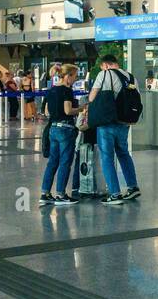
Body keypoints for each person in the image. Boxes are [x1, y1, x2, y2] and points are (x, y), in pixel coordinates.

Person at [87, 53, 140, 205]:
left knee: (107, 157)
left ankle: (115, 194)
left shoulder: (104, 74)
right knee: (123, 153)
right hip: (124, 122)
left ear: (105, 65)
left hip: (107, 122)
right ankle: (132, 187)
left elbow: (92, 97)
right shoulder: (131, 77)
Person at [39, 64, 81, 207]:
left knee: (52, 162)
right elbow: (68, 111)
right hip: (65, 129)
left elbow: (46, 112)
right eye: (75, 76)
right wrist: (82, 109)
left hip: (53, 129)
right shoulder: (66, 90)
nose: (75, 80)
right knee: (65, 162)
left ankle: (45, 193)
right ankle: (60, 194)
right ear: (68, 76)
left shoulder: (51, 90)